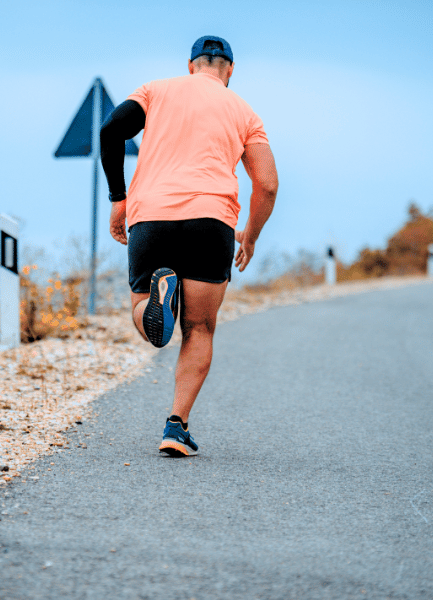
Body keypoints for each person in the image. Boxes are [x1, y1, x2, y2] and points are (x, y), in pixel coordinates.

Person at [100, 35, 278, 457]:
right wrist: (248, 236)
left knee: (144, 315)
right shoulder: (245, 112)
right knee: (199, 328)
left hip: (152, 218)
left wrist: (118, 199)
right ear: (229, 71)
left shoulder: (154, 90)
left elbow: (111, 131)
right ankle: (175, 428)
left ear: (190, 64)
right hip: (211, 223)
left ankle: (159, 297)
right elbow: (267, 185)